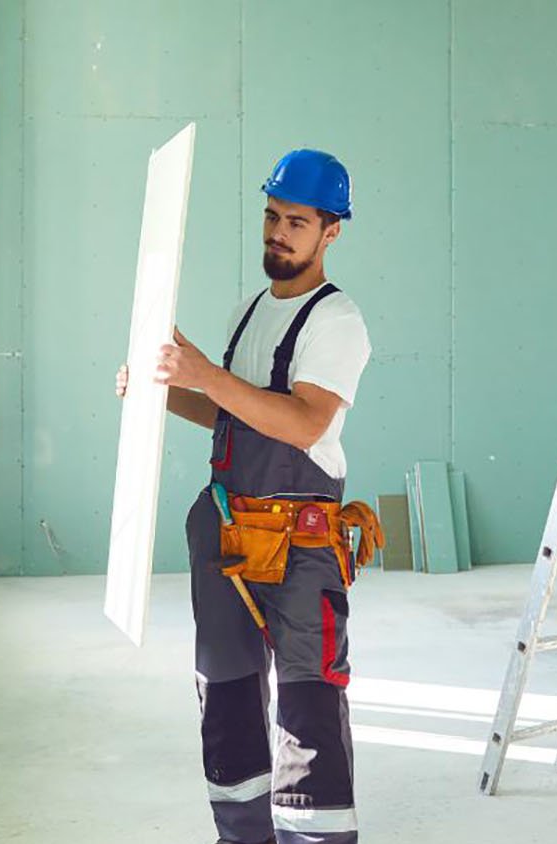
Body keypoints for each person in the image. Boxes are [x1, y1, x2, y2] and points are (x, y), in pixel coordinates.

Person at [117, 149, 378, 844]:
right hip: (227, 534)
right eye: (271, 216)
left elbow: (302, 421)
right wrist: (167, 393)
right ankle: (240, 834)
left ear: (331, 233)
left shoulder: (335, 321)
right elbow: (235, 413)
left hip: (298, 543)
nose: (278, 232)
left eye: (296, 220)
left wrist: (205, 372)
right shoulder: (249, 311)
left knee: (307, 706)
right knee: (225, 694)